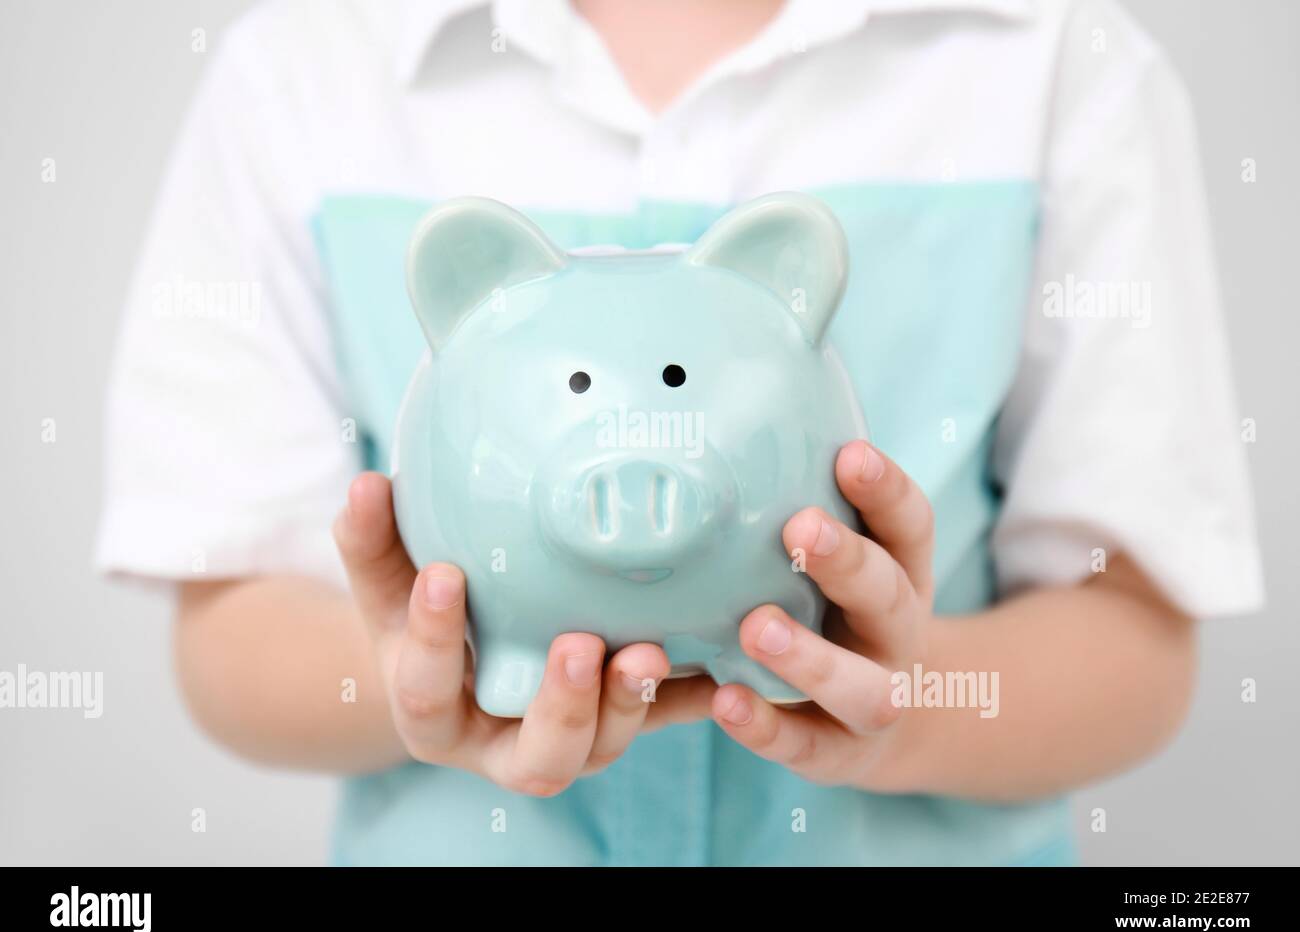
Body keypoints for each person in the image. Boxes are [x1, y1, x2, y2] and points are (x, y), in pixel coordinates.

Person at [97, 0, 1263, 865]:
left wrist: (905, 707)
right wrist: (412, 675)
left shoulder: (1054, 60)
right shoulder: (305, 67)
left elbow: (1136, 648)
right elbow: (230, 629)